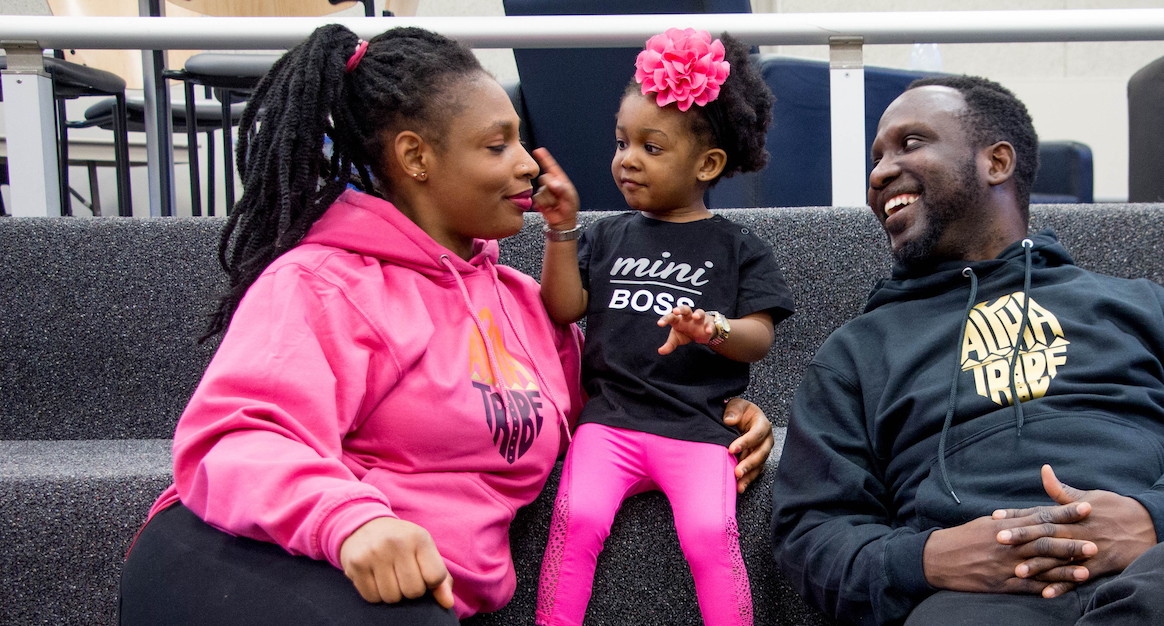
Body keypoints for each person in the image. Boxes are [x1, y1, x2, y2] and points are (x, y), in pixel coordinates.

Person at [118, 24, 773, 626]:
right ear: (415, 156)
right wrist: (352, 523)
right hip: (244, 563)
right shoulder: (324, 282)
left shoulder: (520, 305)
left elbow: (614, 389)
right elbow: (233, 438)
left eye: (521, 138)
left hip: (407, 603)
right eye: (497, 145)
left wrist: (713, 405)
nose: (529, 165)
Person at [770, 75, 1164, 626]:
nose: (878, 173)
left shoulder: (1144, 308)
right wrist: (928, 559)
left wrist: (1152, 517)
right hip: (972, 601)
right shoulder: (855, 352)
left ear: (996, 162)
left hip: (1150, 572)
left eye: (911, 143)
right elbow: (810, 532)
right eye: (875, 157)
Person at [533, 29, 793, 626]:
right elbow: (564, 308)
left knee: (709, 531)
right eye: (622, 142)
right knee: (576, 521)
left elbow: (761, 335)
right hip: (609, 422)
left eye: (652, 147)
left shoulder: (739, 248)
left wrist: (713, 329)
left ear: (707, 163)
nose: (627, 158)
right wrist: (561, 230)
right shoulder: (605, 234)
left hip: (696, 428)